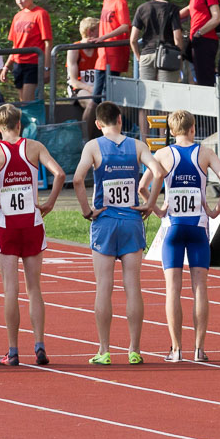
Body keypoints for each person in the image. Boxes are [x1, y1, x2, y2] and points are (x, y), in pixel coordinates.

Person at [73, 101, 165, 365]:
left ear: (98, 124)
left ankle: (104, 350)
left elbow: (78, 179)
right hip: (132, 221)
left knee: (104, 286)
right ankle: (134, 349)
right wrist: (150, 203)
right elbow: (158, 172)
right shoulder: (137, 146)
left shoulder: (93, 146)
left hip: (104, 221)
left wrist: (86, 210)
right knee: (132, 287)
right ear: (121, 120)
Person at [139, 110, 220, 362]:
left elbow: (141, 186)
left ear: (171, 131)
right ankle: (199, 349)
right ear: (193, 129)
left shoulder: (162, 154)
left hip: (172, 228)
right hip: (198, 228)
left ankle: (176, 349)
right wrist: (214, 211)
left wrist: (157, 209)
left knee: (172, 289)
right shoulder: (205, 153)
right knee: (200, 288)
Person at [0, 104, 66, 366]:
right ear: (20, 124)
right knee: (34, 289)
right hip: (32, 223)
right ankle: (39, 345)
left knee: (10, 290)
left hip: (6, 225)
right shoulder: (35, 147)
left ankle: (13, 350)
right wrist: (50, 202)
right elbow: (60, 173)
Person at [3, 0, 52, 103]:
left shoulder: (40, 14)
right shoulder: (17, 16)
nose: (19, 2)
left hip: (33, 62)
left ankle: (34, 121)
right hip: (18, 63)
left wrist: (46, 67)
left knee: (27, 100)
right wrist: (7, 66)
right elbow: (15, 45)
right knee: (22, 101)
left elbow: (47, 42)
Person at [130, 0, 184, 83]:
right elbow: (177, 37)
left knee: (149, 93)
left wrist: (138, 57)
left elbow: (133, 39)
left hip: (147, 54)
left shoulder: (142, 9)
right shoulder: (172, 9)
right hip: (167, 55)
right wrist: (179, 55)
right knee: (166, 92)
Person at [178, 0, 220, 87]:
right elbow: (188, 9)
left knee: (205, 80)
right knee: (199, 77)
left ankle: (212, 106)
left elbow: (216, 17)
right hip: (197, 40)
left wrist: (200, 32)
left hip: (205, 39)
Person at [91, 0, 131, 101]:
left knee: (108, 97)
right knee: (97, 96)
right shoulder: (106, 1)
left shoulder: (120, 2)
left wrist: (104, 37)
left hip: (114, 55)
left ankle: (120, 121)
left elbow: (125, 26)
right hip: (103, 54)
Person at [67, 17, 100, 138]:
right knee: (92, 103)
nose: (102, 33)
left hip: (97, 88)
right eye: (98, 30)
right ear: (90, 32)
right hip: (79, 89)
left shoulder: (100, 48)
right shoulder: (75, 49)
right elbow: (74, 81)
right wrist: (90, 88)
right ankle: (85, 139)